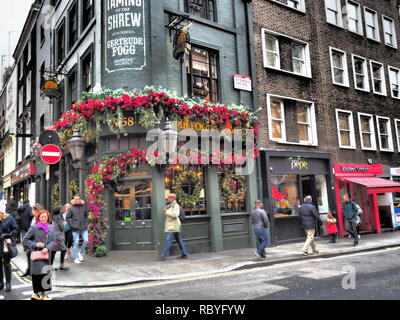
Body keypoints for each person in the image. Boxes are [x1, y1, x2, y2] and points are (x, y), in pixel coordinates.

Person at [23, 210, 55, 300]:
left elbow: (54, 241)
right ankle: (36, 294)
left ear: (48, 218)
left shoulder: (51, 227)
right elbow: (25, 240)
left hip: (46, 254)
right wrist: (35, 244)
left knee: (46, 273)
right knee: (37, 274)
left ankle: (44, 295)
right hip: (36, 254)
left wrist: (47, 248)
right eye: (42, 217)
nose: (44, 218)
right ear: (38, 218)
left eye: (45, 217)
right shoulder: (34, 228)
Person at [159, 193, 188, 260]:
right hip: (173, 225)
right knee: (179, 240)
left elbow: (175, 215)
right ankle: (184, 253)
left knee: (168, 239)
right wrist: (166, 209)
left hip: (174, 226)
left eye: (169, 197)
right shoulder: (170, 205)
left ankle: (163, 254)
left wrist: (166, 212)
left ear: (172, 198)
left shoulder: (176, 205)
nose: (168, 198)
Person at [22, 204, 43, 278]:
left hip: (37, 240)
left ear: (36, 210)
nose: (31, 211)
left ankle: (32, 273)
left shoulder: (40, 218)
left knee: (34, 256)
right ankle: (29, 271)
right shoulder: (35, 217)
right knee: (29, 254)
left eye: (32, 210)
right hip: (33, 240)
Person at [66, 195, 89, 264]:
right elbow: (68, 218)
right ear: (73, 200)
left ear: (80, 200)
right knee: (76, 242)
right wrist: (73, 225)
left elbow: (86, 216)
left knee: (85, 240)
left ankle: (81, 253)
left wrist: (86, 223)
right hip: (75, 229)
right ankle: (75, 258)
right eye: (75, 199)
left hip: (83, 228)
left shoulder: (84, 207)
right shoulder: (71, 208)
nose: (77, 200)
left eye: (78, 199)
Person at [0, 212, 18, 292]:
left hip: (5, 244)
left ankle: (8, 283)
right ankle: (1, 283)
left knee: (6, 265)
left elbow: (15, 229)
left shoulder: (10, 219)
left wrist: (8, 235)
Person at [50, 206, 70, 271]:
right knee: (64, 249)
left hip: (55, 235)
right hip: (58, 236)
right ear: (60, 210)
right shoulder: (58, 217)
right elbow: (62, 227)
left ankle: (51, 265)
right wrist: (65, 223)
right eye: (63, 209)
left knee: (54, 251)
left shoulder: (55, 216)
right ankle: (61, 265)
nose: (64, 209)